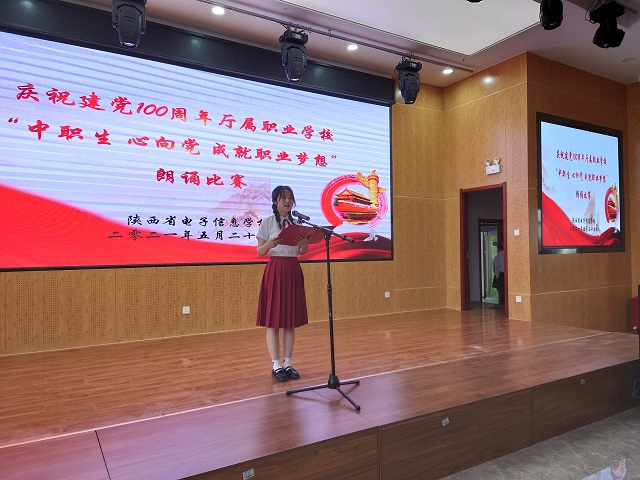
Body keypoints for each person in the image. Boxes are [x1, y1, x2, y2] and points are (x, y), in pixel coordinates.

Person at [256, 185, 311, 382]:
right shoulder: (267, 222)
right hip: (276, 269)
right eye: (283, 198)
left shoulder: (297, 224)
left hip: (293, 269)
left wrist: (304, 242)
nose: (287, 201)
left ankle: (288, 363)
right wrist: (269, 244)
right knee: (273, 320)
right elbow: (260, 252)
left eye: (290, 197)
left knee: (290, 320)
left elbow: (302, 252)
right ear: (275, 201)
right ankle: (276, 364)